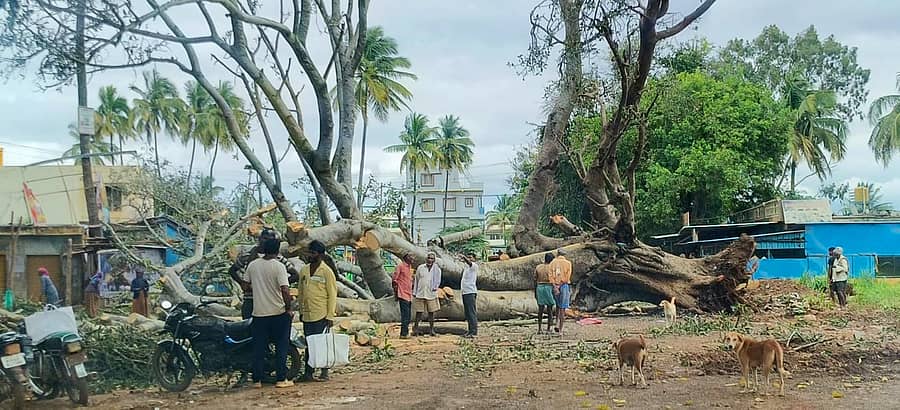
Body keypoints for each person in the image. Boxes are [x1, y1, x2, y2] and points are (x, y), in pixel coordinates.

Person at [246, 236, 294, 388]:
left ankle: (256, 380)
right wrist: (288, 307)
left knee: (258, 347)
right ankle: (281, 379)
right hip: (277, 312)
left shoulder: (253, 265)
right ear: (277, 250)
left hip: (259, 313)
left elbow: (246, 284)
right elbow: (285, 289)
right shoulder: (279, 266)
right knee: (281, 345)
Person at [229, 228, 299, 320]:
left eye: (270, 239)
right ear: (260, 239)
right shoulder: (248, 256)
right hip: (251, 299)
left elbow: (295, 275)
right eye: (264, 238)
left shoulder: (279, 259)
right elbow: (232, 270)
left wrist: (278, 284)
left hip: (271, 300)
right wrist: (242, 282)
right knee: (249, 328)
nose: (266, 241)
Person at [298, 240, 337, 382]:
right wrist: (301, 310)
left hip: (321, 314)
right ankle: (308, 372)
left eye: (312, 253)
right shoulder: (304, 270)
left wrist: (330, 315)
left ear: (320, 254)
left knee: (321, 343)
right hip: (307, 314)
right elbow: (301, 292)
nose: (310, 255)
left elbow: (332, 294)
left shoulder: (327, 271)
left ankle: (324, 371)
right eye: (309, 252)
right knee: (309, 344)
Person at [412, 252, 442, 337]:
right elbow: (416, 280)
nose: (430, 260)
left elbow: (438, 281)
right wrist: (414, 292)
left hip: (431, 293)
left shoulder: (437, 270)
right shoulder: (421, 268)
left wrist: (434, 288)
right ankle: (416, 329)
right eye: (428, 258)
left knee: (431, 313)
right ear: (426, 259)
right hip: (420, 292)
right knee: (419, 312)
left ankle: (431, 330)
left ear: (434, 260)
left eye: (432, 258)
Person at [549, 248, 573, 335]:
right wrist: (560, 285)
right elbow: (567, 276)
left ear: (557, 254)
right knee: (563, 308)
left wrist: (555, 286)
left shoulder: (552, 263)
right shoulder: (568, 263)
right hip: (563, 286)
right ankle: (561, 329)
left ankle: (556, 323)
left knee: (558, 305)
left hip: (554, 286)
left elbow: (550, 275)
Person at [391, 253, 415, 339]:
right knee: (405, 314)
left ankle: (405, 332)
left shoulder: (410, 268)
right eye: (410, 257)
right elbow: (394, 280)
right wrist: (396, 293)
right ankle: (403, 333)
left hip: (409, 294)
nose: (413, 258)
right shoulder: (400, 266)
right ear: (406, 258)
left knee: (408, 315)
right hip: (402, 293)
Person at [534, 253, 556, 334]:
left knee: (540, 309)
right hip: (548, 287)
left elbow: (535, 279)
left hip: (539, 287)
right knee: (550, 309)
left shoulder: (538, 267)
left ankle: (539, 328)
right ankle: (548, 328)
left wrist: (535, 291)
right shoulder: (551, 268)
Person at [461, 253, 479, 338]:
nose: (469, 259)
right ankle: (470, 330)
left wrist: (464, 257)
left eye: (471, 257)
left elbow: (469, 262)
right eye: (468, 257)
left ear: (474, 259)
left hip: (470, 292)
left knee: (471, 312)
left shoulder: (474, 266)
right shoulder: (466, 268)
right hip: (465, 292)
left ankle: (473, 332)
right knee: (468, 313)